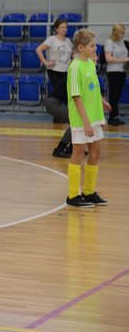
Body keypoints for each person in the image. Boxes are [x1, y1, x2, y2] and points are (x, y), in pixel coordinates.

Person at [66, 29, 111, 208]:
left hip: (95, 116)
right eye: (92, 46)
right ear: (81, 47)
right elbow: (76, 96)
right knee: (78, 153)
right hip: (81, 119)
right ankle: (72, 195)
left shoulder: (91, 64)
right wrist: (86, 122)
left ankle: (89, 191)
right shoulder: (75, 67)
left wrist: (102, 101)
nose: (95, 49)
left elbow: (92, 88)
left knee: (96, 152)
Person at [36, 19, 73, 90]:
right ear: (57, 29)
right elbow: (38, 49)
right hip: (54, 70)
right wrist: (45, 62)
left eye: (66, 27)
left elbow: (73, 53)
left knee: (65, 91)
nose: (64, 29)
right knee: (59, 90)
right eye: (62, 27)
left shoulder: (68, 41)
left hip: (66, 70)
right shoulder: (52, 39)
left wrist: (72, 63)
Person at [104, 23, 129, 126]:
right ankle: (112, 117)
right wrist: (125, 59)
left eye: (123, 32)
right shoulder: (109, 42)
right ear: (116, 32)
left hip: (122, 71)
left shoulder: (122, 42)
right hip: (113, 71)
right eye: (121, 32)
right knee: (113, 95)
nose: (122, 34)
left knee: (117, 95)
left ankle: (115, 115)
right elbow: (108, 58)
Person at [44, 74, 73, 158]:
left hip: (56, 102)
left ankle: (73, 148)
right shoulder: (73, 76)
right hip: (53, 103)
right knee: (76, 123)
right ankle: (60, 149)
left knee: (78, 123)